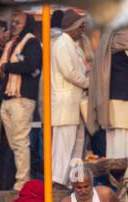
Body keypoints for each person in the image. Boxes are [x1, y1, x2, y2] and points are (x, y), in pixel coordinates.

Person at [0, 13, 41, 187]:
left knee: (21, 142)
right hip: (8, 98)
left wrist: (6, 66)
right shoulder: (11, 44)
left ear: (27, 24)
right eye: (13, 22)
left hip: (22, 98)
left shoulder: (32, 43)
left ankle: (22, 182)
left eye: (18, 23)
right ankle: (19, 178)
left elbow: (31, 66)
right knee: (14, 143)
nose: (14, 25)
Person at [51, 10, 91, 188]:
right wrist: (88, 83)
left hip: (77, 103)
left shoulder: (73, 45)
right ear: (72, 26)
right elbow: (69, 73)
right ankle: (58, 179)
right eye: (80, 26)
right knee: (64, 144)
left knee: (78, 145)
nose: (82, 29)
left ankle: (72, 181)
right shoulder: (61, 44)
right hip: (66, 103)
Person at [92, 23, 128, 161]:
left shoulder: (110, 50)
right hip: (122, 100)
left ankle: (115, 173)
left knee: (113, 137)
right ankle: (122, 175)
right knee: (122, 138)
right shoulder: (124, 50)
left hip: (112, 98)